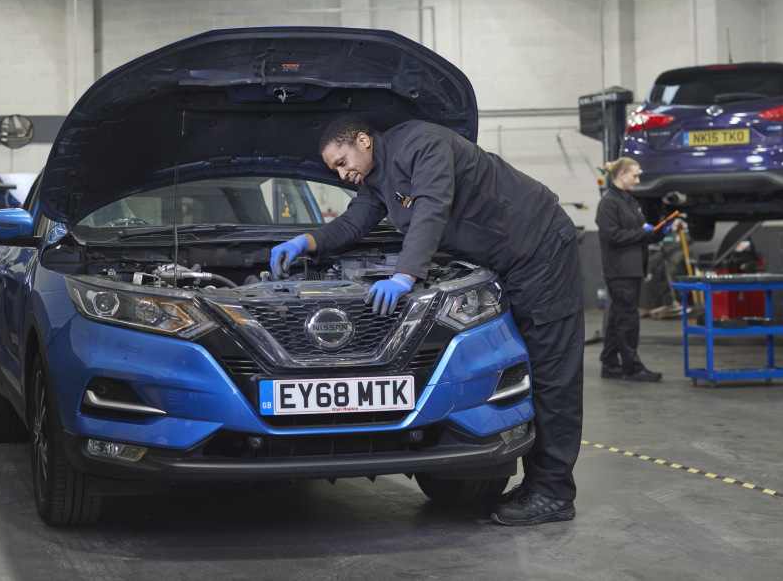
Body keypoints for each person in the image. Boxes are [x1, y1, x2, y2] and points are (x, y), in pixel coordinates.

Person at [269, 116, 584, 527]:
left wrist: (405, 274)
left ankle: (554, 491)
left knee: (551, 368)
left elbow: (432, 204)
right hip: (502, 262)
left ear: (363, 140)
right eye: (335, 171)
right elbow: (353, 223)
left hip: (539, 248)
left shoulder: (423, 142)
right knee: (524, 363)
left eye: (343, 162)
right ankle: (538, 482)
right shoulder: (377, 177)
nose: (344, 174)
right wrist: (305, 242)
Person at [595, 157, 670, 382]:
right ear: (621, 175)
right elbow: (612, 235)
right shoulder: (608, 203)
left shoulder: (629, 201)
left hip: (633, 268)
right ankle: (632, 367)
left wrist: (659, 231)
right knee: (628, 320)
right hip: (620, 270)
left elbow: (641, 233)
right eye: (634, 175)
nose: (638, 180)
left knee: (618, 318)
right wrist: (642, 232)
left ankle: (609, 364)